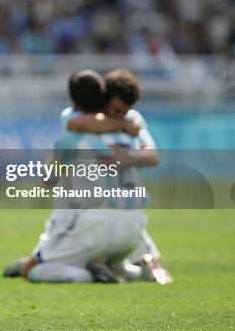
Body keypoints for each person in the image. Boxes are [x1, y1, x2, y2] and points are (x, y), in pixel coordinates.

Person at [2, 70, 148, 283]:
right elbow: (151, 156)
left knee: (33, 271)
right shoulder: (130, 127)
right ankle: (133, 269)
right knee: (107, 256)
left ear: (73, 101)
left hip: (92, 221)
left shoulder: (71, 134)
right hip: (135, 226)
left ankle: (92, 273)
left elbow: (48, 179)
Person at [62, 69, 172, 283]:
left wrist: (127, 158)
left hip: (125, 205)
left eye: (126, 111)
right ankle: (143, 260)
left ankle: (118, 263)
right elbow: (76, 122)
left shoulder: (133, 118)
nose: (123, 114)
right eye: (117, 110)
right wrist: (125, 127)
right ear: (105, 100)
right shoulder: (91, 118)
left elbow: (153, 156)